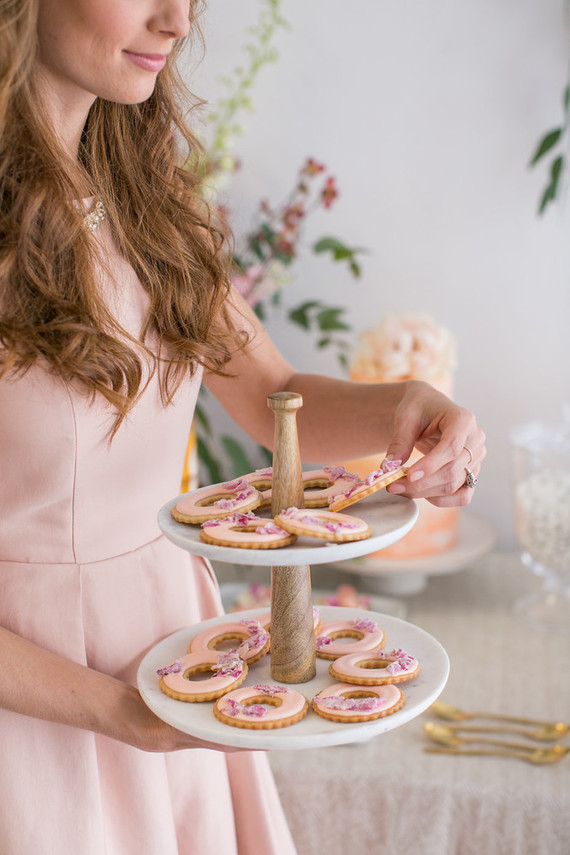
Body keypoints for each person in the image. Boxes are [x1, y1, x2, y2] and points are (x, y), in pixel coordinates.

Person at [0, 1, 486, 853]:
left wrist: (403, 405)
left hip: (174, 667)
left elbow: (271, 394)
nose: (177, 20)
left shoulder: (142, 200)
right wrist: (116, 709)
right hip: (34, 710)